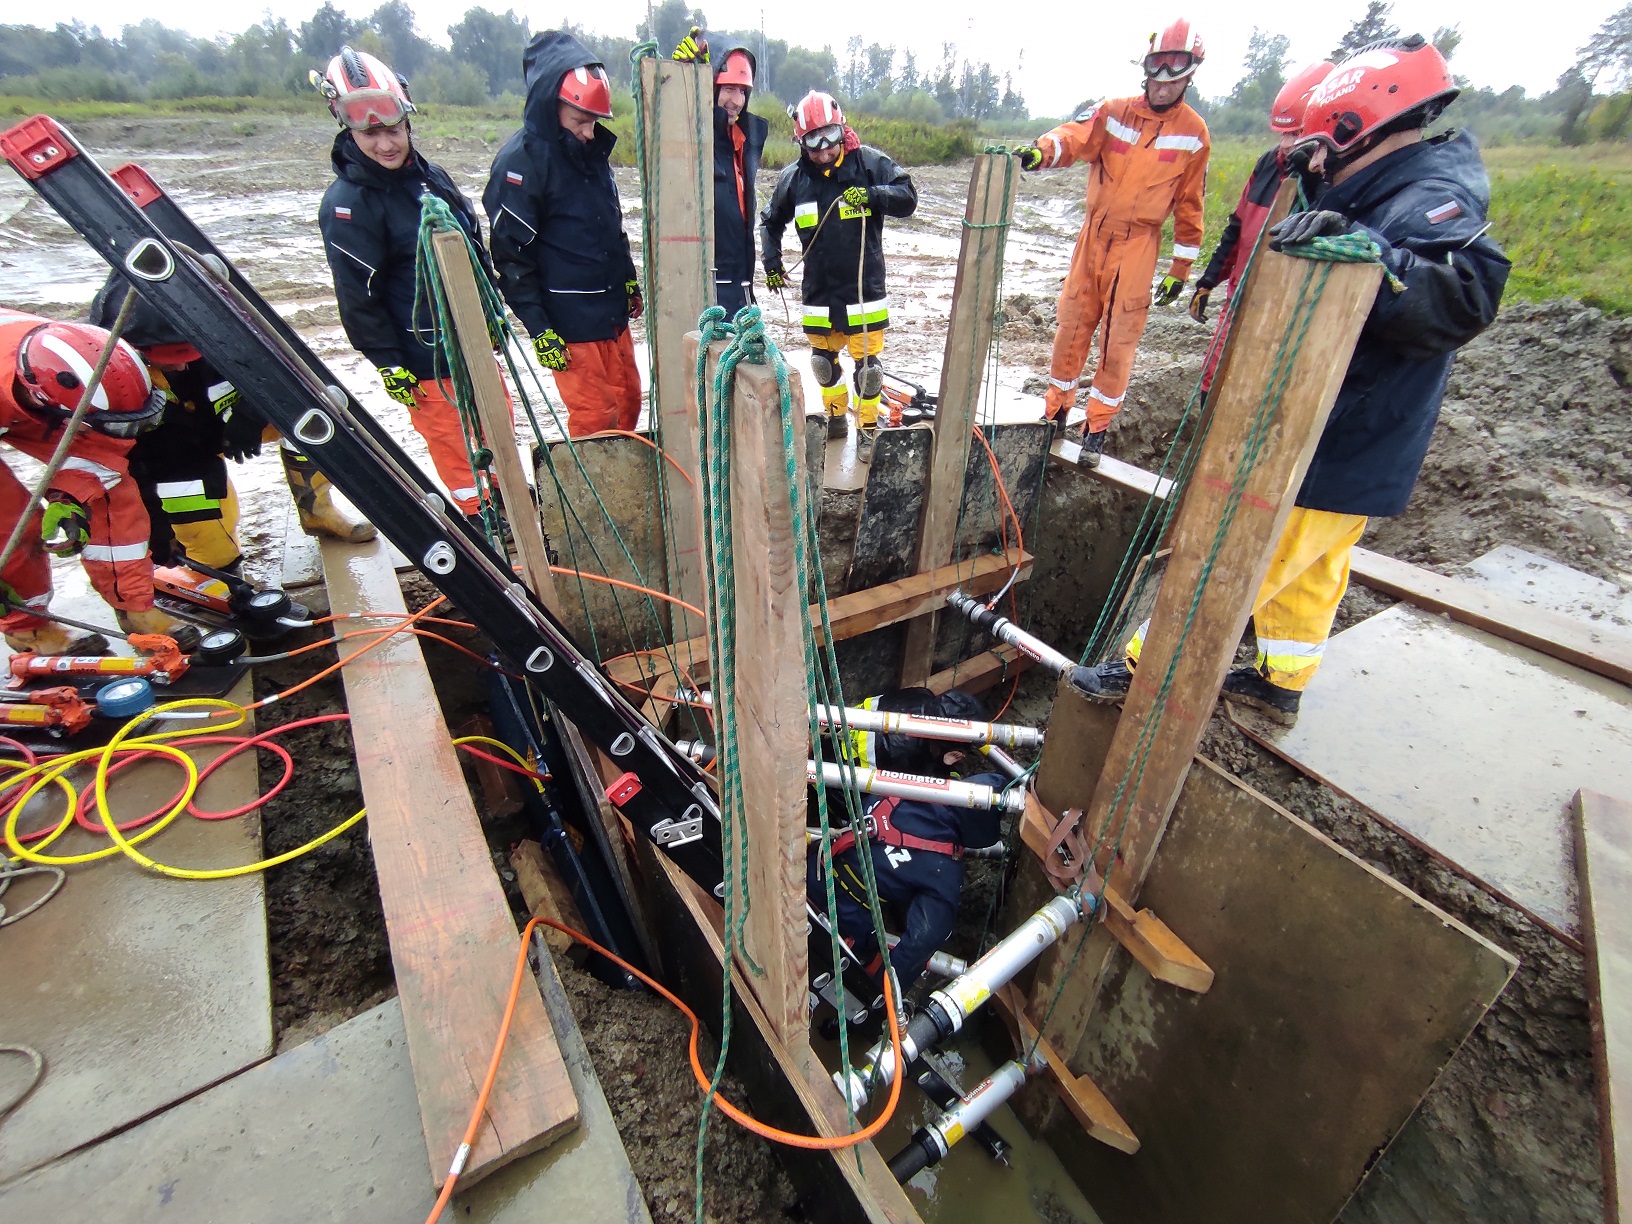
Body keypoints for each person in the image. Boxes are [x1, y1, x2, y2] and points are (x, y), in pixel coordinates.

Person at [1078, 36, 1509, 726]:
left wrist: (1380, 259)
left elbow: (1465, 295)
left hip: (1337, 434)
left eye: (1318, 147)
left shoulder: (1427, 198)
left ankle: (1141, 670)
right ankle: (1281, 678)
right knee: (1311, 568)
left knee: (1238, 560)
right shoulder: (1386, 187)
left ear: (1355, 129)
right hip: (1351, 433)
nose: (1309, 161)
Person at [1014, 18, 1210, 467]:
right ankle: (1055, 414)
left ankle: (1097, 430)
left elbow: (1190, 204)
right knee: (1072, 326)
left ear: (1189, 75)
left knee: (1119, 341)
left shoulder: (1194, 133)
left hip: (1138, 245)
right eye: (1157, 70)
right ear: (1146, 69)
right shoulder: (1114, 112)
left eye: (1174, 73)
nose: (1163, 83)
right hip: (1094, 237)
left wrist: (1180, 269)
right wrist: (1041, 151)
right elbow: (1074, 136)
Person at [88, 272, 375, 575]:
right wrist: (156, 528)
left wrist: (251, 415)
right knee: (215, 560)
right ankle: (216, 561)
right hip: (177, 462)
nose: (182, 366)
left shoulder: (222, 322)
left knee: (317, 413)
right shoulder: (105, 379)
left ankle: (318, 512)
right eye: (170, 360)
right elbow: (122, 469)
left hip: (232, 422)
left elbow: (283, 369)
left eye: (188, 355)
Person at [314, 46, 492, 517]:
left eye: (393, 130)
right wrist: (387, 361)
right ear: (348, 130)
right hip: (422, 354)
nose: (386, 144)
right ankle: (479, 518)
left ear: (407, 123)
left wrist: (489, 314)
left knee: (495, 427)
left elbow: (474, 247)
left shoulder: (433, 179)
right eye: (370, 134)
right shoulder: (348, 204)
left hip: (471, 340)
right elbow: (356, 293)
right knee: (454, 440)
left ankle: (504, 498)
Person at [0, 309, 199, 653]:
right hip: (15, 401)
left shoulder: (80, 353)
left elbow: (100, 457)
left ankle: (135, 606)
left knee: (111, 492)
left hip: (28, 400)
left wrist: (71, 496)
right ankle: (26, 627)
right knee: (12, 528)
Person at [486, 32, 644, 438]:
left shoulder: (592, 156)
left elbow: (611, 227)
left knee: (629, 401)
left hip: (611, 314)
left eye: (594, 121)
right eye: (580, 121)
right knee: (596, 419)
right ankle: (594, 481)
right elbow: (511, 258)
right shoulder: (520, 165)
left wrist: (628, 279)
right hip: (569, 324)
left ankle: (628, 475)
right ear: (551, 105)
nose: (589, 131)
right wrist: (539, 328)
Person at [806, 688, 1004, 995]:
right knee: (861, 957)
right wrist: (879, 996)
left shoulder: (903, 785)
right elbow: (917, 947)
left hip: (812, 867)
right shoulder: (944, 874)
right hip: (842, 907)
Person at [760, 91, 917, 462]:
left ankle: (867, 428)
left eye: (829, 137)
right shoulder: (794, 179)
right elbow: (769, 221)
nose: (823, 150)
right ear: (801, 142)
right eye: (812, 142)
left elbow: (907, 197)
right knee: (822, 363)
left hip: (864, 288)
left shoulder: (869, 163)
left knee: (868, 370)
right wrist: (772, 262)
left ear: (841, 128)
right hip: (819, 290)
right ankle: (835, 419)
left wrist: (873, 196)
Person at [1188, 61, 1334, 392]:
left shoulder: (1331, 181)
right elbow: (1238, 227)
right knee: (1214, 380)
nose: (1286, 144)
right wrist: (1208, 281)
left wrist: (1313, 182)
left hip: (1287, 308)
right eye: (1283, 134)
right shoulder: (1268, 164)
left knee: (1259, 388)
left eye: (1297, 134)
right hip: (1240, 294)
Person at [670, 30, 770, 317]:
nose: (736, 100)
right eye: (728, 88)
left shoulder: (744, 142)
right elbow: (666, 117)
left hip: (740, 289)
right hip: (704, 292)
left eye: (742, 91)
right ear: (710, 87)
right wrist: (680, 77)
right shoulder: (691, 138)